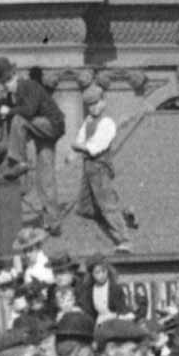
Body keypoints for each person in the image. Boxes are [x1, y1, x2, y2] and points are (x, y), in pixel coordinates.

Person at [0, 57, 67, 234]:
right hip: (42, 135)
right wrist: (0, 104)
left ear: (15, 75)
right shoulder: (11, 96)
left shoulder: (29, 86)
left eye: (9, 80)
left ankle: (18, 161)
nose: (7, 85)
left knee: (18, 119)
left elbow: (29, 111)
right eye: (3, 83)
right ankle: (53, 222)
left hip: (52, 124)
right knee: (45, 177)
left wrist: (9, 111)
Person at [68, 86, 138, 253]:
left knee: (106, 205)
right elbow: (79, 140)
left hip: (99, 167)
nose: (93, 107)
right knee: (85, 207)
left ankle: (125, 239)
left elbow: (95, 147)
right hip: (88, 167)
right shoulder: (88, 121)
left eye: (96, 103)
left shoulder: (106, 123)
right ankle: (126, 215)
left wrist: (79, 146)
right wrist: (76, 150)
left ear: (103, 102)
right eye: (90, 105)